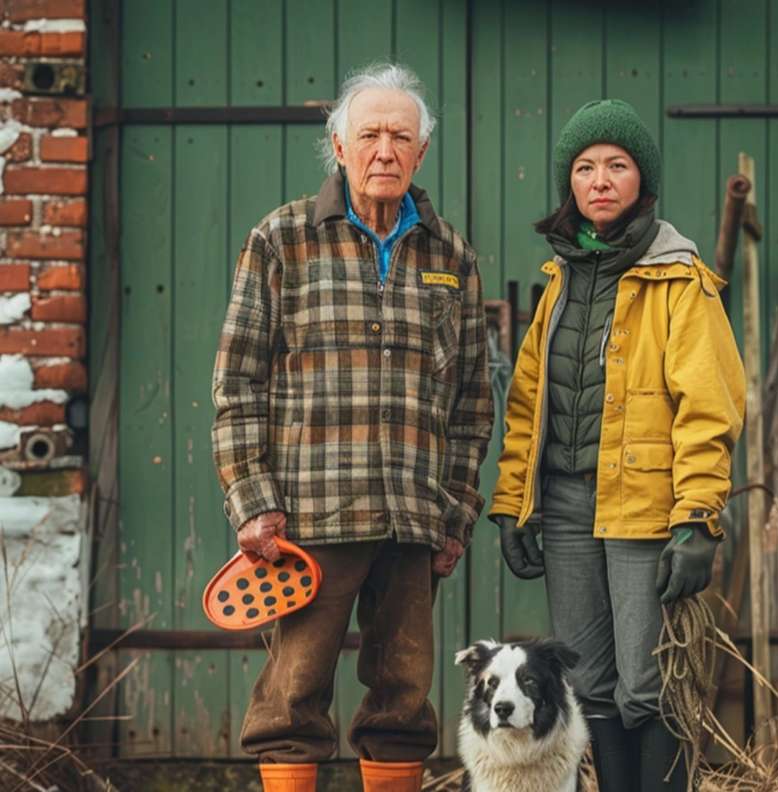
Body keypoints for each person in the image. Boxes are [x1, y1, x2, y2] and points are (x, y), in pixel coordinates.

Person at [211, 62, 492, 792]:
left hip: (412, 519)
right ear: (338, 146)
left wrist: (456, 514)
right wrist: (253, 502)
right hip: (309, 519)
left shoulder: (451, 256)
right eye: (369, 135)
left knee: (403, 699)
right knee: (292, 700)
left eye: (401, 137)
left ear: (421, 152)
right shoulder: (282, 239)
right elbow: (237, 382)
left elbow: (471, 401)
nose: (384, 151)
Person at [488, 98, 746, 791]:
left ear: (643, 180)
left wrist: (699, 518)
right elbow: (528, 403)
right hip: (567, 509)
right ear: (569, 184)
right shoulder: (560, 281)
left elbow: (709, 408)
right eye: (584, 167)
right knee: (589, 684)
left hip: (644, 507)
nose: (599, 180)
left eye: (617, 165)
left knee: (649, 684)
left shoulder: (680, 281)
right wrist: (514, 504)